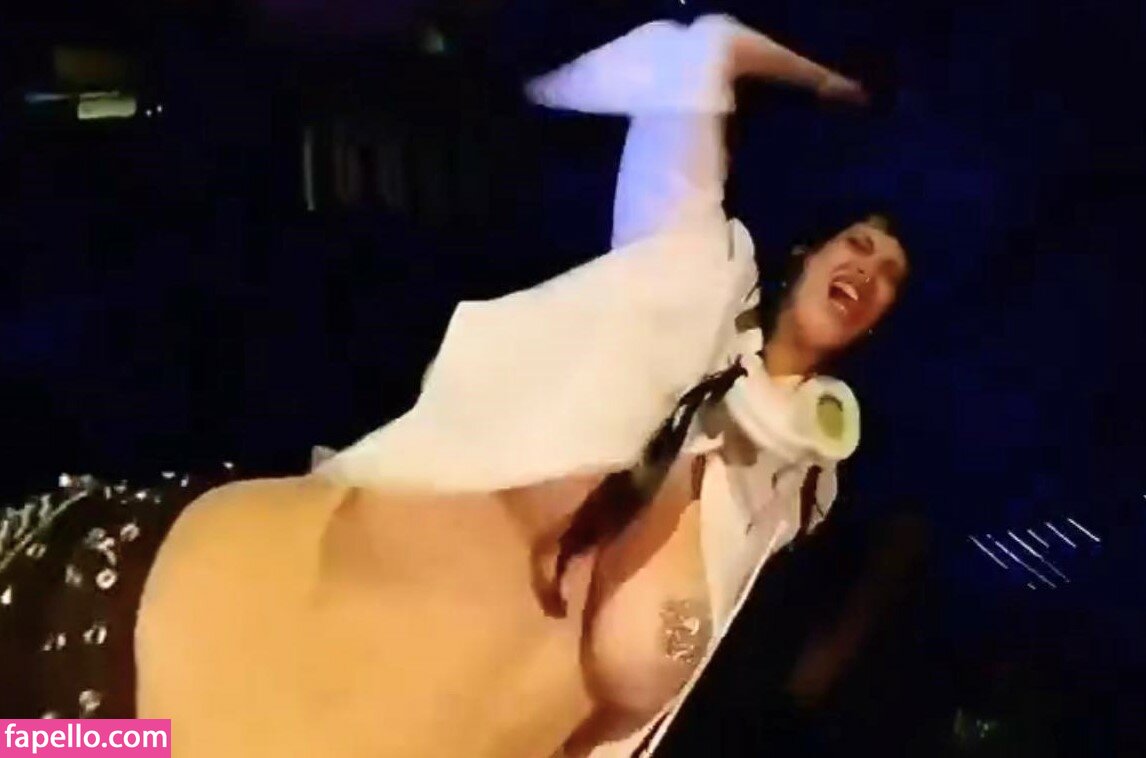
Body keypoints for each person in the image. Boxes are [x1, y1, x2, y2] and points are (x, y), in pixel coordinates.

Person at [0, 14, 908, 758]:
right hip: (137, 665)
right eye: (858, 244)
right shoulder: (693, 286)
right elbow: (694, 70)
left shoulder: (795, 494)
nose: (866, 271)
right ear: (807, 251)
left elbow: (663, 675)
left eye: (891, 276)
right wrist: (797, 72)